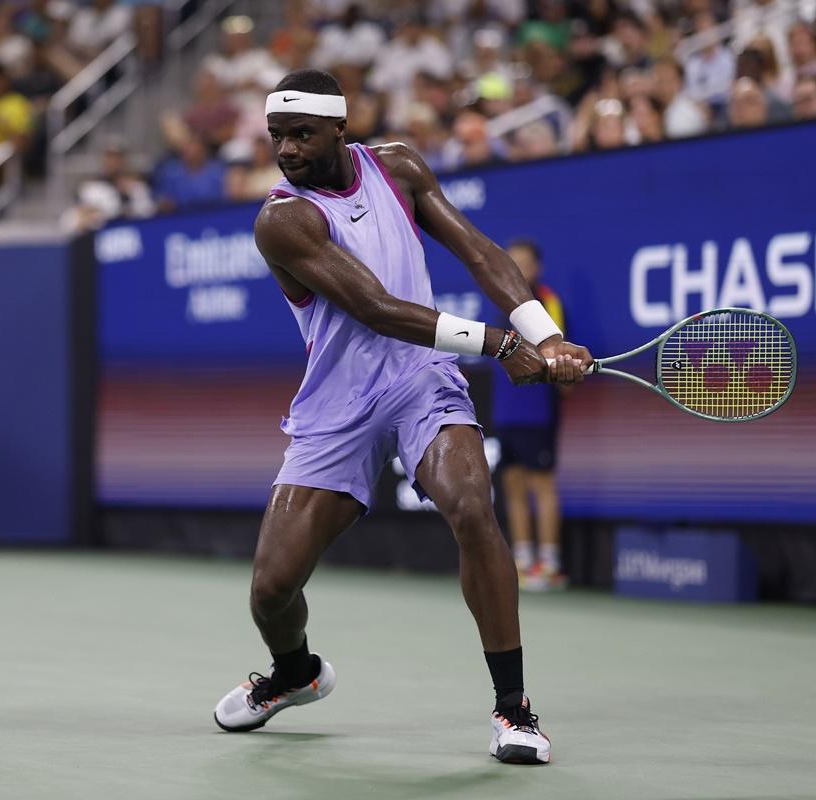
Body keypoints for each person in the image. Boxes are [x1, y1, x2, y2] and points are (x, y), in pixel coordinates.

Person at [211, 69, 591, 766]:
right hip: (337, 404)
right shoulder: (282, 219)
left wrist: (541, 334)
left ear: (340, 129)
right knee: (271, 588)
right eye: (276, 136)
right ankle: (295, 672)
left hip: (422, 380)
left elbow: (477, 251)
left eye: (301, 134)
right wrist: (500, 343)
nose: (286, 150)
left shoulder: (400, 168)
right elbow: (377, 308)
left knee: (473, 508)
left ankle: (514, 710)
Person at [491, 240, 568, 592]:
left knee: (542, 485)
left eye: (523, 263)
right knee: (512, 484)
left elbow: (557, 355)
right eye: (512, 262)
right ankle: (522, 562)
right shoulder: (500, 302)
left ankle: (549, 565)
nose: (517, 268)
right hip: (507, 411)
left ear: (536, 268)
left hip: (538, 411)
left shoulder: (548, 303)